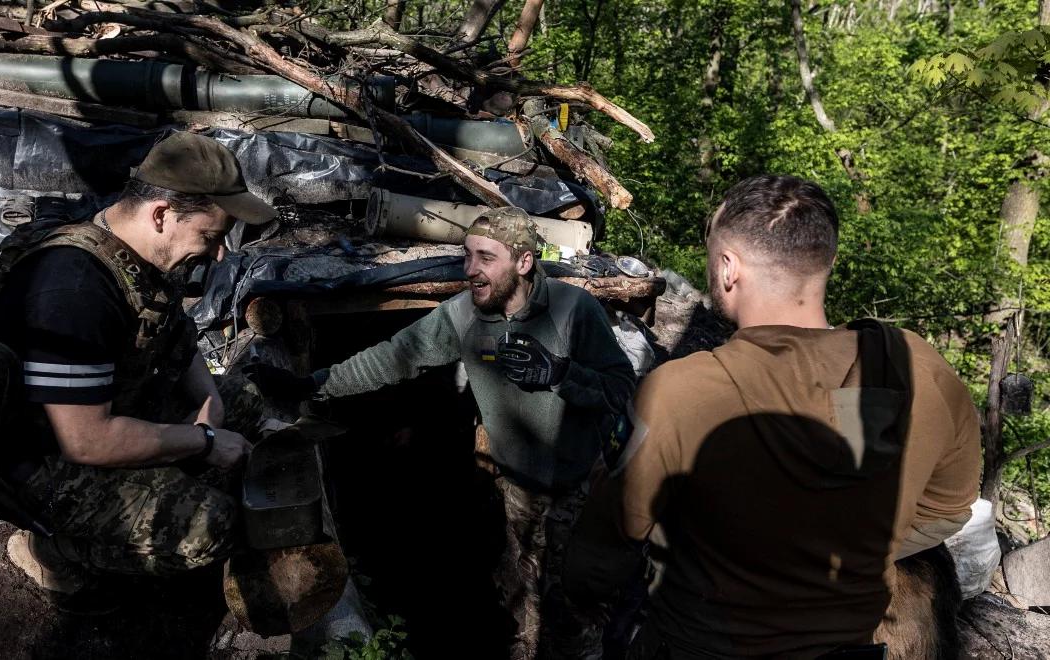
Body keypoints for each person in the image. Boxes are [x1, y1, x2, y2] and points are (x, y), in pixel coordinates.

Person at [564, 175, 981, 658]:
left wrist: (586, 598)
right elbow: (949, 508)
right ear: (826, 262)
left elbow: (602, 550)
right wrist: (851, 552)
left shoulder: (683, 391)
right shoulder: (916, 367)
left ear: (727, 269)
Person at [250, 207, 636, 659]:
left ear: (524, 262)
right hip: (516, 488)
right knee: (526, 589)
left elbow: (621, 388)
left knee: (577, 603)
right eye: (467, 256)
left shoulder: (575, 310)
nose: (470, 270)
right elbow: (394, 357)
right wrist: (314, 383)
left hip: (580, 489)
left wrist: (561, 374)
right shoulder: (464, 316)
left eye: (486, 258)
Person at [0, 132, 276, 601]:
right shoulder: (74, 290)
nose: (219, 252)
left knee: (241, 397)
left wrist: (209, 406)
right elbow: (86, 440)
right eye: (212, 235)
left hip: (106, 409)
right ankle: (53, 549)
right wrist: (202, 442)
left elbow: (175, 336)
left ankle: (167, 474)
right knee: (211, 527)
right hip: (39, 459)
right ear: (162, 213)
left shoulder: (138, 251)